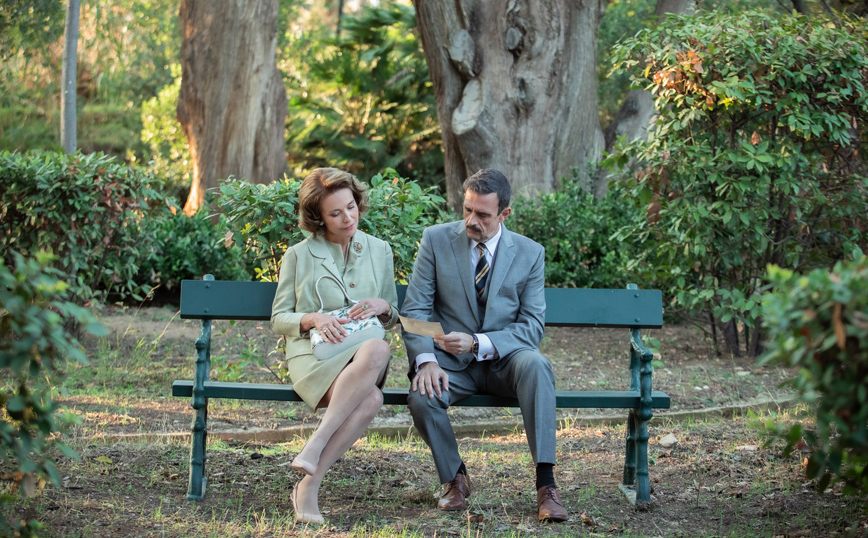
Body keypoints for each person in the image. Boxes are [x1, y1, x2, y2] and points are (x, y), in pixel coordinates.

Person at [400, 168, 568, 523]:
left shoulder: (530, 253)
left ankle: (546, 485)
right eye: (467, 210)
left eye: (482, 214)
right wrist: (426, 361)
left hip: (506, 363)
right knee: (421, 395)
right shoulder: (435, 240)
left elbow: (532, 326)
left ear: (504, 213)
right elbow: (414, 311)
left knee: (538, 365)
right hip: (450, 366)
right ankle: (454, 477)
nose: (471, 221)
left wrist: (478, 343)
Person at [271, 167, 399, 525]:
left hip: (362, 357)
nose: (348, 218)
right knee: (372, 399)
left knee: (377, 348)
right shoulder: (299, 254)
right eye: (335, 213)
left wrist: (383, 306)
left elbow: (392, 315)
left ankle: (314, 451)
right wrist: (313, 318)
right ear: (318, 218)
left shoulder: (380, 250)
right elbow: (278, 317)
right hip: (314, 356)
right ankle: (309, 484)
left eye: (351, 207)